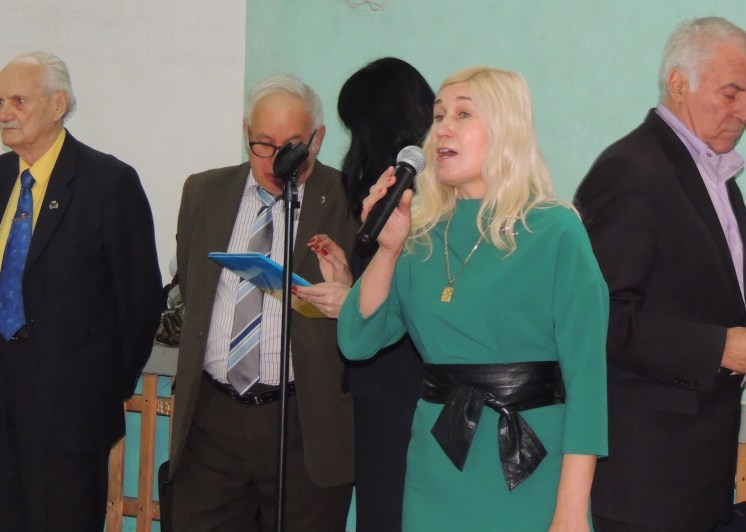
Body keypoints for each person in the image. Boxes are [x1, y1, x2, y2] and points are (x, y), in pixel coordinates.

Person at [573, 17, 746, 531]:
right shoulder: (630, 170)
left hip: (700, 472)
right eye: (732, 93)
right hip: (642, 477)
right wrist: (722, 347)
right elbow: (597, 320)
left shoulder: (713, 174)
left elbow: (718, 306)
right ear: (678, 83)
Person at [336, 66, 609, 531]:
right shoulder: (419, 236)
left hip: (531, 468)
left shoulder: (555, 229)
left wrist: (570, 509)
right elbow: (357, 341)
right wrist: (388, 249)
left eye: (463, 114)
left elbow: (587, 382)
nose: (443, 128)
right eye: (439, 115)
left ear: (505, 130)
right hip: (436, 469)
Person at [169, 73, 357, 531]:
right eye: (263, 144)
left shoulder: (350, 201)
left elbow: (378, 313)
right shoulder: (203, 193)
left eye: (291, 145)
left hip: (304, 424)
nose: (276, 160)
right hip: (211, 422)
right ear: (246, 135)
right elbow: (193, 290)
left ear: (318, 139)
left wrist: (349, 294)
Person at [0, 52, 162, 532]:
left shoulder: (108, 182)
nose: (5, 113)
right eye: (0, 101)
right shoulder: (1, 177)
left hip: (69, 411)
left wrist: (101, 389)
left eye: (19, 101)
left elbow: (140, 301)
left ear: (58, 104)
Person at [312, 57, 434, 532]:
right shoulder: (387, 192)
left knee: (393, 514)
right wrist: (350, 283)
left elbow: (420, 301)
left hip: (404, 390)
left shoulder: (424, 196)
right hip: (381, 385)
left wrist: (352, 304)